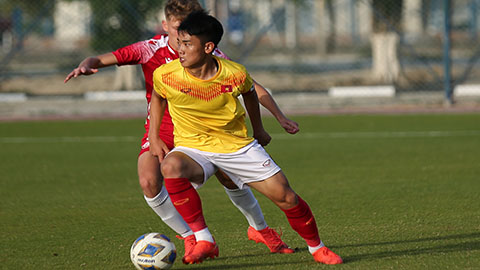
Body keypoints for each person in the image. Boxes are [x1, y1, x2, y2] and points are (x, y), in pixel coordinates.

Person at [64, 0, 298, 257]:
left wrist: (279, 116)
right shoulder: (150, 49)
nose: (182, 35)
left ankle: (260, 229)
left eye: (188, 29)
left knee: (229, 177)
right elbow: (104, 58)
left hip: (205, 130)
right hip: (163, 129)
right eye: (177, 28)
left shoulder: (209, 54)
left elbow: (251, 86)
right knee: (149, 180)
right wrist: (87, 64)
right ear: (165, 26)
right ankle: (193, 237)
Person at [149, 10, 343, 265]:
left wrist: (259, 129)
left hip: (236, 146)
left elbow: (251, 94)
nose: (180, 49)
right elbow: (158, 97)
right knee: (170, 167)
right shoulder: (166, 74)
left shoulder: (234, 73)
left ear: (208, 47)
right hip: (193, 147)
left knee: (286, 197)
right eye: (179, 42)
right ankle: (203, 238)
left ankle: (317, 248)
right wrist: (154, 136)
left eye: (187, 44)